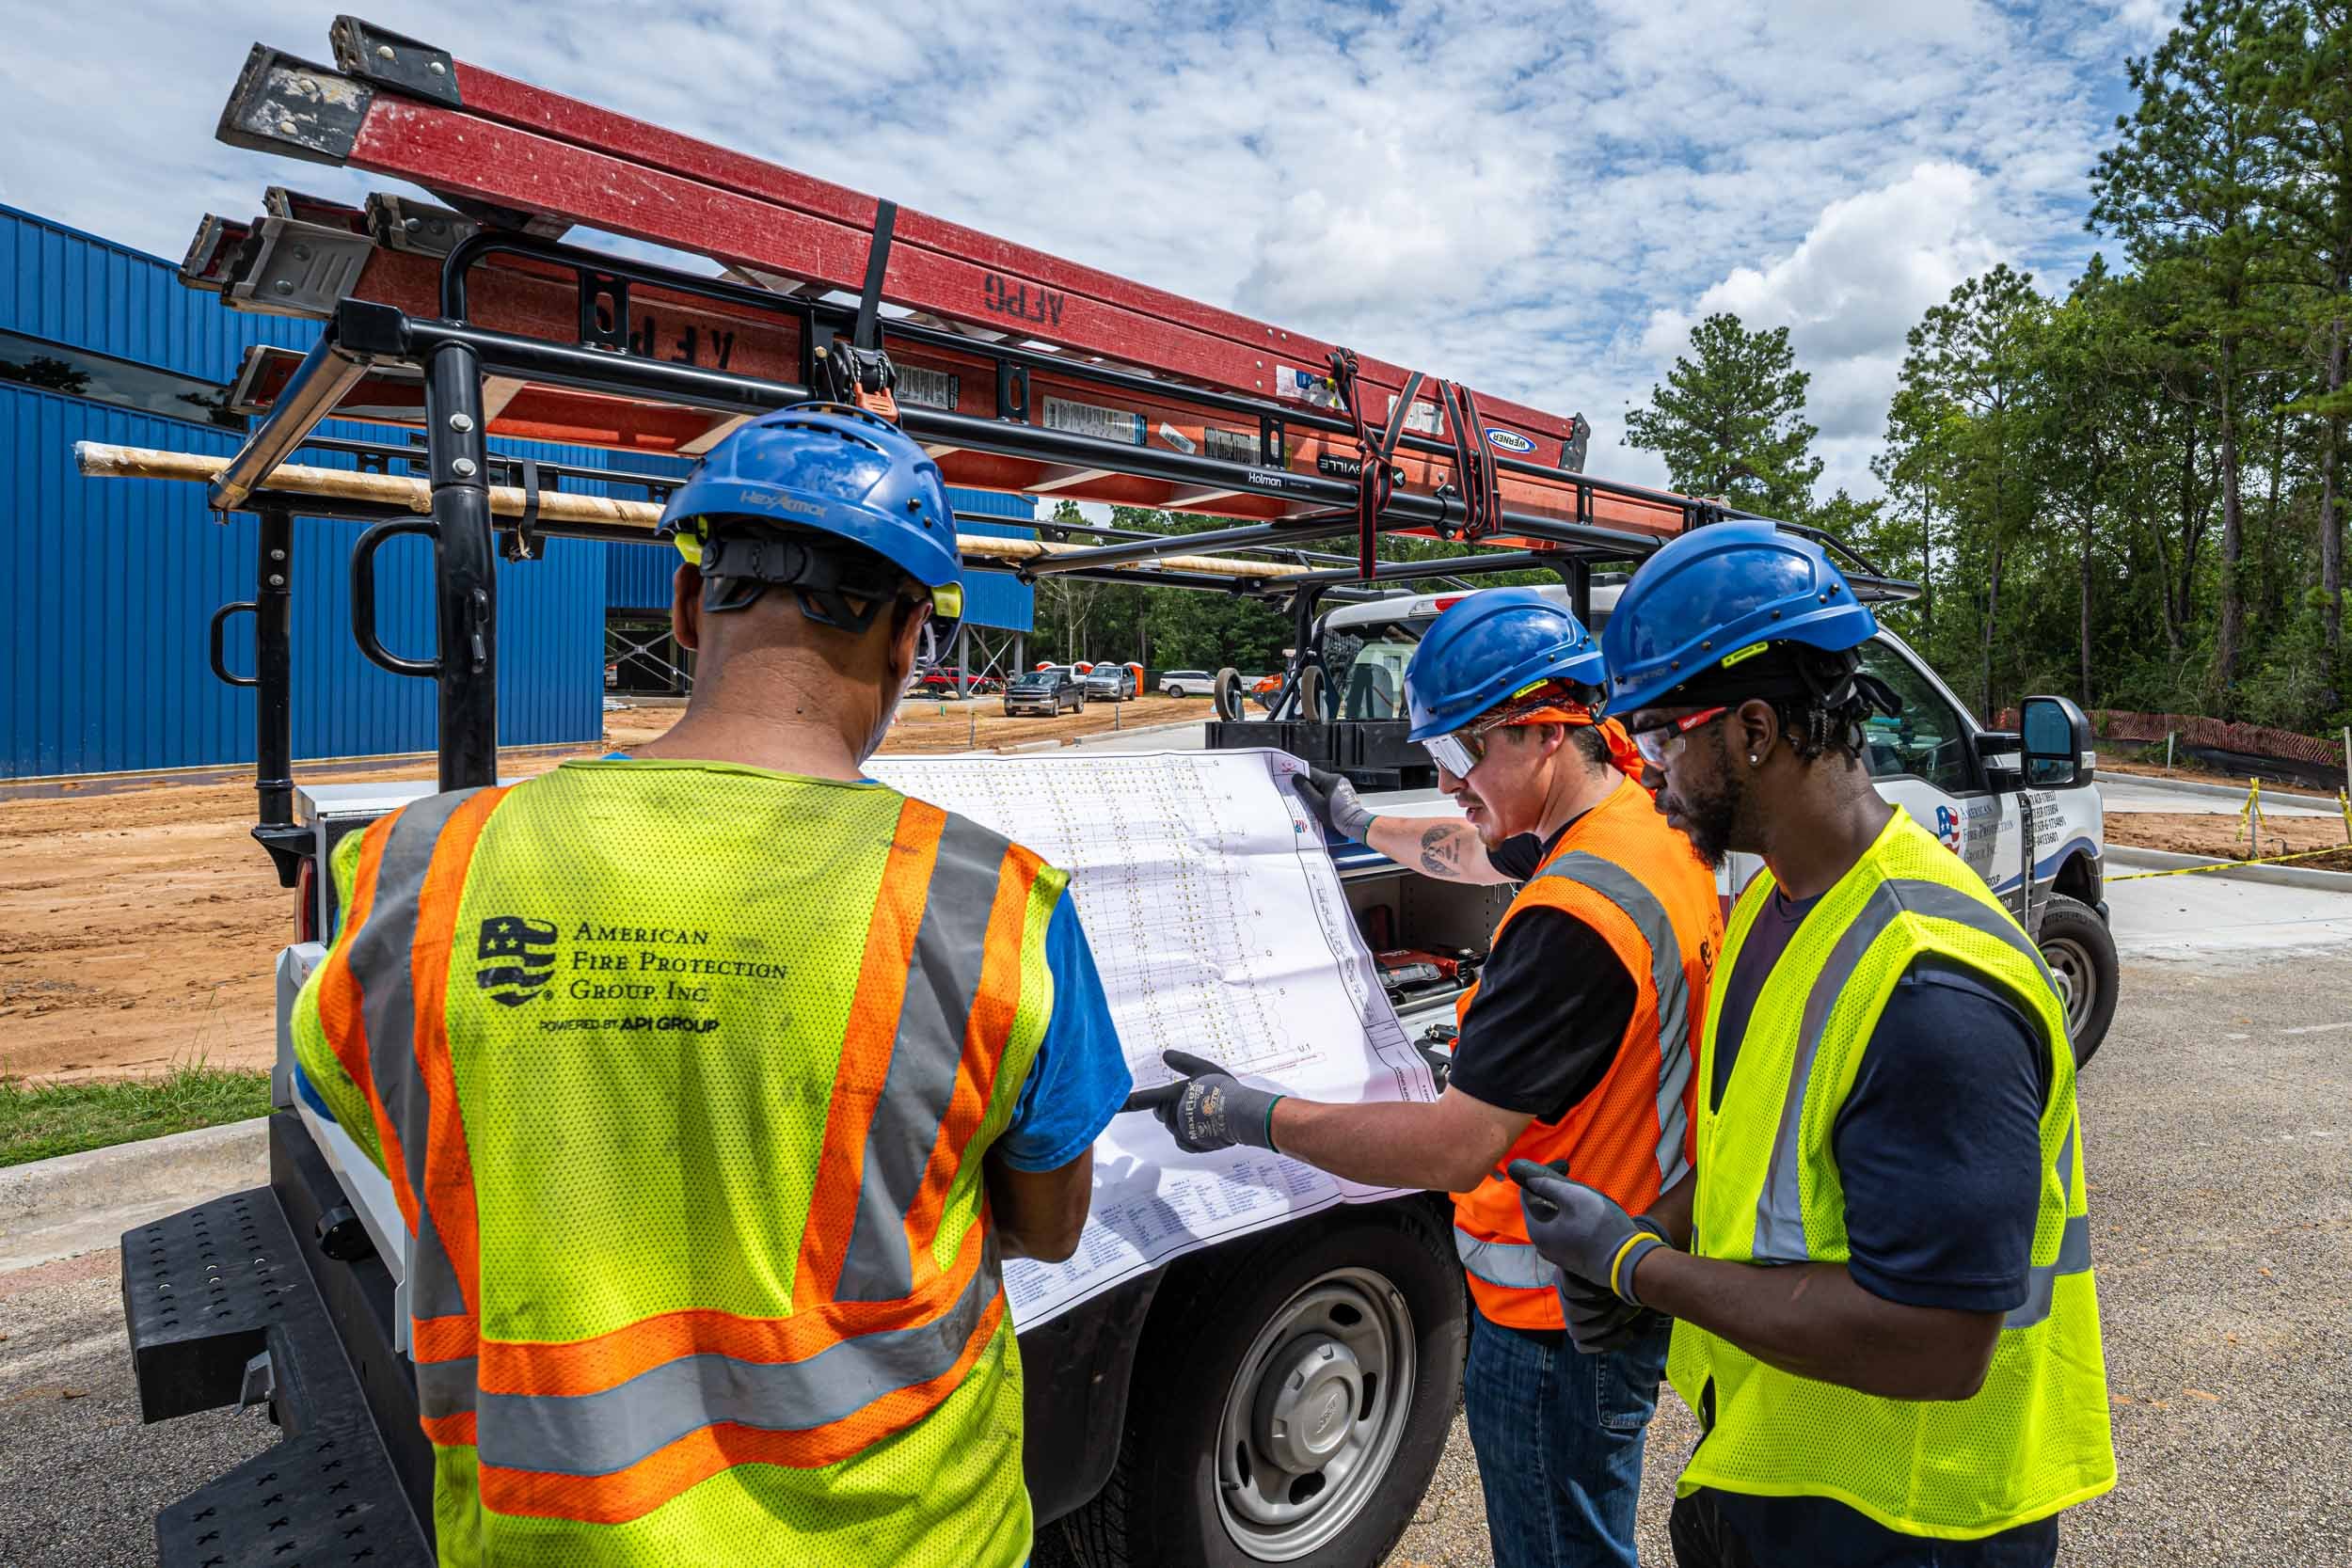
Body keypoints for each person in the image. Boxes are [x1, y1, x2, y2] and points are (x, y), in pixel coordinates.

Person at [289, 404, 1131, 1566]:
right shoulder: (993, 905)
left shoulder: (420, 869)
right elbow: (1049, 1225)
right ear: (908, 639)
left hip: (543, 1537)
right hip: (905, 1535)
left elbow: (378, 1119)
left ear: (690, 609)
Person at [1514, 520, 2115, 1567]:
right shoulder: (1775, 905)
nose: (1645, 773)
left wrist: (1641, 1268)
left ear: (1751, 728)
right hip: (1789, 1466)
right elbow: (1758, 1161)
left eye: (1662, 737)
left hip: (1911, 1513)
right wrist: (1635, 1237)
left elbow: (1937, 1338)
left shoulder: (1931, 986)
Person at [1134, 588, 1723, 1568]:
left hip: (1549, 1314)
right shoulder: (1642, 827)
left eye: (1457, 755)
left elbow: (1453, 1148)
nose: (1446, 784)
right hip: (1621, 1259)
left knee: (1560, 1549)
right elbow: (1474, 849)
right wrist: (1355, 819)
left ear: (1541, 730)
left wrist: (1246, 1111)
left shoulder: (1571, 916)